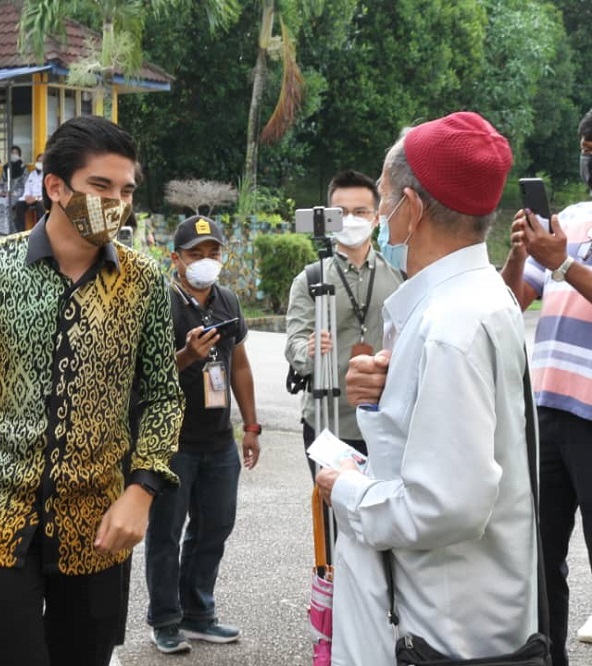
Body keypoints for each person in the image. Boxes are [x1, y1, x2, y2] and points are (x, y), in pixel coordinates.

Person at [0, 115, 184, 666]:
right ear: (55, 187)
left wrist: (141, 492)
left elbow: (163, 395)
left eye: (127, 190)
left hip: (98, 524)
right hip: (1, 522)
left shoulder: (142, 282)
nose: (117, 202)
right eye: (101, 186)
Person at [317, 112, 536, 664]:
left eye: (385, 200)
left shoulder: (451, 326)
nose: (380, 219)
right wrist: (387, 388)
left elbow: (447, 505)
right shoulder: (473, 299)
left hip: (440, 627)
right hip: (452, 611)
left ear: (411, 210)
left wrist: (345, 488)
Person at [143, 215, 260, 654]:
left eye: (213, 253)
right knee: (166, 533)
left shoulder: (227, 300)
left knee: (215, 526)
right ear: (176, 259)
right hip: (171, 441)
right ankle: (165, 619)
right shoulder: (158, 302)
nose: (206, 261)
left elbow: (240, 366)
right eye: (196, 254)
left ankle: (198, 613)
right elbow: (146, 374)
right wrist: (188, 356)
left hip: (218, 439)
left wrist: (250, 426)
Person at [500, 107, 592, 665]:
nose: (589, 152)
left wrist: (562, 265)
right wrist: (519, 255)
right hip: (547, 412)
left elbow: (562, 274)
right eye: (588, 142)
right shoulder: (572, 217)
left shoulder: (565, 242)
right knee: (541, 559)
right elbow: (513, 300)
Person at [284, 170, 403, 478]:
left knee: (384, 517)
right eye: (341, 213)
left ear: (376, 217)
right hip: (328, 421)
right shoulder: (310, 280)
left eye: (360, 212)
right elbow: (294, 343)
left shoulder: (399, 278)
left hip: (386, 422)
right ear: (328, 218)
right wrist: (309, 351)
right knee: (333, 517)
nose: (351, 220)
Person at [0, 145, 27, 233]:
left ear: (19, 155)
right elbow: (1, 182)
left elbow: (25, 184)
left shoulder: (23, 168)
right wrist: (2, 192)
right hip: (5, 194)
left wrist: (14, 193)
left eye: (16, 153)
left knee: (10, 204)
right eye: (12, 153)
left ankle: (13, 230)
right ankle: (0, 229)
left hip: (17, 194)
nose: (14, 155)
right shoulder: (5, 168)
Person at [14, 152, 46, 233]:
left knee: (40, 205)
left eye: (42, 162)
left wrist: (36, 198)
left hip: (41, 199)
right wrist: (27, 197)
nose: (40, 163)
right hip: (30, 199)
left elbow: (47, 192)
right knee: (19, 205)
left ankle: (40, 231)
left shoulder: (47, 175)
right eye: (38, 161)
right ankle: (21, 232)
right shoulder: (32, 174)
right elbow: (27, 187)